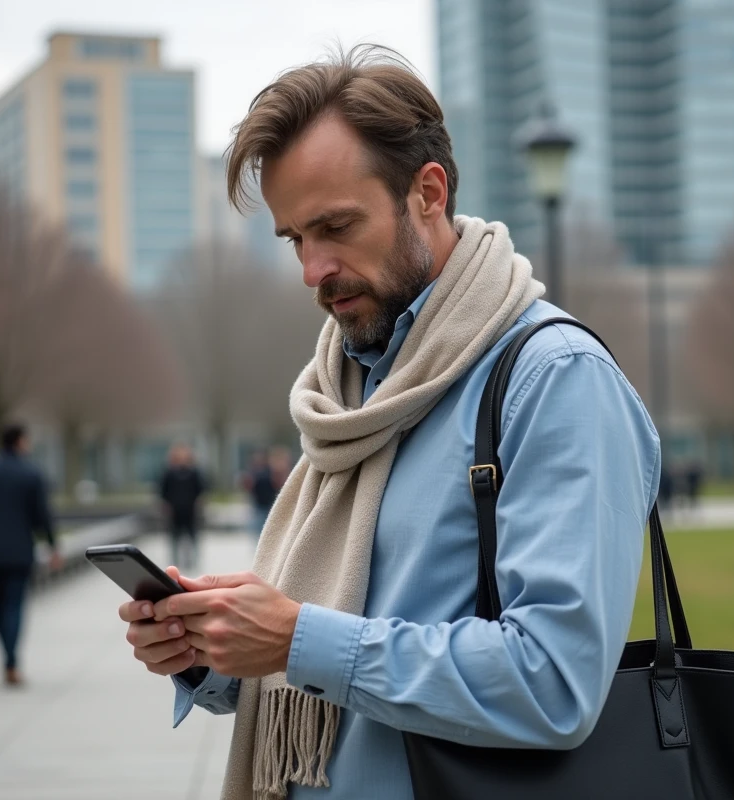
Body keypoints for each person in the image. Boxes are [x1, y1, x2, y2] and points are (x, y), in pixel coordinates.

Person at [117, 48, 660, 800]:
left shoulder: (554, 379)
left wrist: (298, 637)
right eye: (295, 239)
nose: (313, 269)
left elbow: (555, 681)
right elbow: (329, 659)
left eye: (335, 226)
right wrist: (209, 648)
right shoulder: (344, 396)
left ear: (427, 192)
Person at [0, 423, 60, 686]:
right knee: (14, 605)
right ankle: (11, 660)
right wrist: (52, 546)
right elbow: (42, 515)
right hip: (20, 549)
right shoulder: (30, 473)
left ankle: (6, 655)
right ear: (20, 441)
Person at [159, 443, 208, 570]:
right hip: (175, 511)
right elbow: (163, 492)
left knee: (192, 537)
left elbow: (201, 490)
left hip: (190, 510)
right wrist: (165, 506)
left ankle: (192, 561)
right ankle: (175, 563)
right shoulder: (169, 473)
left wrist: (200, 503)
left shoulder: (194, 472)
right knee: (174, 538)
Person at [242, 450, 277, 540]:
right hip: (258, 504)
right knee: (257, 529)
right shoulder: (253, 472)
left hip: (268, 503)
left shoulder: (269, 471)